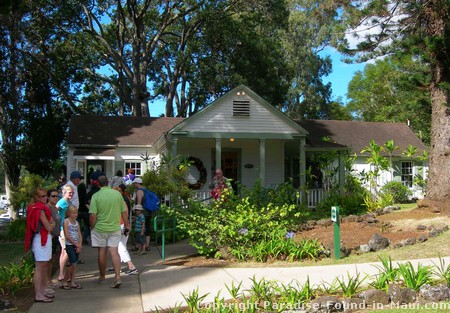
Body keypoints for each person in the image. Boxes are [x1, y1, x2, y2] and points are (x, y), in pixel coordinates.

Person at [89, 175, 130, 288]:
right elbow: (124, 212)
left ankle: (102, 277)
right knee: (114, 252)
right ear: (108, 182)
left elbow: (93, 215)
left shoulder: (95, 196)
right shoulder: (117, 194)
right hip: (115, 227)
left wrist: (91, 227)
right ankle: (117, 277)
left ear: (98, 184)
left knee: (102, 253)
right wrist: (126, 225)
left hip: (100, 228)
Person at [25, 188, 56, 303]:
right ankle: (38, 294)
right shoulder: (39, 209)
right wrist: (52, 224)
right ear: (36, 197)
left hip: (44, 238)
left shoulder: (41, 208)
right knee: (40, 266)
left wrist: (52, 223)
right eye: (42, 196)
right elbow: (49, 226)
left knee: (44, 265)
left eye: (45, 196)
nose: (45, 198)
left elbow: (52, 222)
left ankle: (42, 290)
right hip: (40, 239)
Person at [60, 205, 83, 290]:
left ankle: (73, 281)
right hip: (70, 245)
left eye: (76, 213)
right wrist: (76, 244)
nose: (75, 215)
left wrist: (79, 245)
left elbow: (79, 234)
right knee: (72, 263)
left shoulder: (76, 223)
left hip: (77, 245)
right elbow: (67, 235)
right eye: (73, 213)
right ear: (69, 213)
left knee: (75, 264)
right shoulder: (66, 222)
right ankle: (64, 281)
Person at [56, 184, 74, 282]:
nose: (71, 194)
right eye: (69, 192)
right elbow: (55, 210)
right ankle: (61, 273)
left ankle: (62, 273)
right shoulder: (62, 201)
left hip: (68, 227)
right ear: (64, 193)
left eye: (72, 192)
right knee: (66, 250)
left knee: (64, 251)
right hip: (63, 229)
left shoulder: (68, 201)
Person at [46, 189, 61, 289]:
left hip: (57, 235)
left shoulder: (55, 208)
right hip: (50, 236)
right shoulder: (47, 208)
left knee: (52, 258)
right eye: (53, 196)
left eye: (57, 196)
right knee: (48, 259)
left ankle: (49, 279)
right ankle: (47, 280)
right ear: (48, 197)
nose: (56, 198)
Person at [132, 177, 152, 251]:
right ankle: (147, 245)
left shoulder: (139, 191)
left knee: (140, 229)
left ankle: (138, 246)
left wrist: (136, 213)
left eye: (134, 183)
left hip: (143, 212)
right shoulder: (146, 190)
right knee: (148, 228)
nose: (134, 185)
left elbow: (139, 203)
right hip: (149, 211)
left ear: (137, 183)